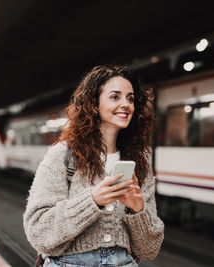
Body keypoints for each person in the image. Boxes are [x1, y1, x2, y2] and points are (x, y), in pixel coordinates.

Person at [23, 65, 164, 266]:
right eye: (115, 97)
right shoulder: (63, 155)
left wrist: (138, 211)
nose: (125, 104)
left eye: (130, 98)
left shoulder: (139, 164)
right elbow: (38, 232)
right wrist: (92, 201)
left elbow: (149, 250)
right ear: (94, 104)